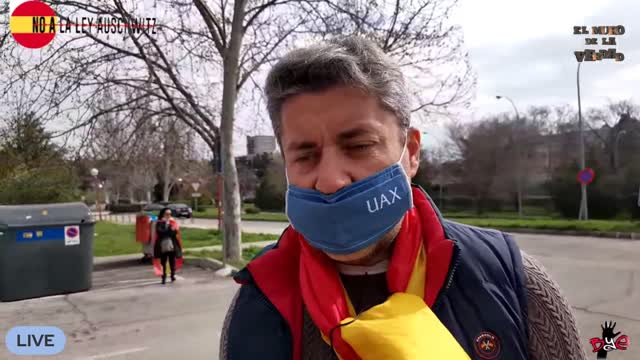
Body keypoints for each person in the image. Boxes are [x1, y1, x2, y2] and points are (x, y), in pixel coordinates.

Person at [220, 36, 586, 360]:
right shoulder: (257, 304)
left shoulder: (513, 281)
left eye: (359, 146)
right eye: (304, 155)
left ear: (410, 153)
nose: (331, 180)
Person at [153, 208, 184, 284]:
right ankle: (163, 277)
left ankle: (172, 276)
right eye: (167, 214)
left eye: (170, 214)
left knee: (172, 261)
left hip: (172, 244)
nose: (169, 215)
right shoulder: (159, 222)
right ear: (163, 214)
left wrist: (169, 230)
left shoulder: (173, 222)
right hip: (162, 245)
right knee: (163, 262)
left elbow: (175, 232)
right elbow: (160, 232)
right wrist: (169, 229)